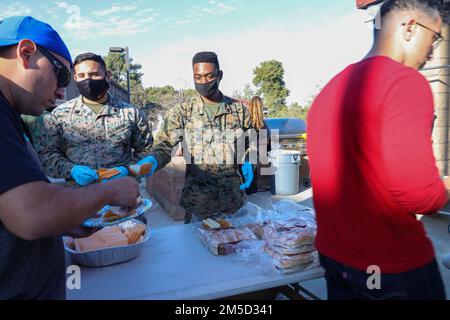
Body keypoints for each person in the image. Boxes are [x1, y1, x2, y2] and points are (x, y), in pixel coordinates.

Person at [307, 0, 449, 300]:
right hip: (391, 267)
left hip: (337, 259)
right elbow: (418, 195)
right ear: (411, 27)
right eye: (434, 38)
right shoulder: (404, 81)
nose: (433, 52)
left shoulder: (333, 87)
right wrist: (444, 187)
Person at [0, 16, 139, 299]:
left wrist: (67, 217)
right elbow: (32, 213)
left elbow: (21, 198)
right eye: (64, 76)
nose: (63, 91)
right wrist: (108, 190)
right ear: (26, 53)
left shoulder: (10, 116)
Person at [142, 51, 254, 223]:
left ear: (220, 75)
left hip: (234, 202)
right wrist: (152, 160)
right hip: (198, 205)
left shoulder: (239, 111)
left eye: (209, 76)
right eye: (198, 77)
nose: (203, 82)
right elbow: (164, 145)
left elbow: (252, 141)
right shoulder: (182, 112)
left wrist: (249, 160)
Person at [36, 52, 153, 186]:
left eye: (94, 74)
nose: (88, 80)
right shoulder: (60, 115)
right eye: (81, 76)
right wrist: (72, 170)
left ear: (107, 76)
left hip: (122, 194)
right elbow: (46, 155)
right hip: (79, 199)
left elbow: (147, 150)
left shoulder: (130, 113)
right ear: (75, 78)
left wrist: (128, 170)